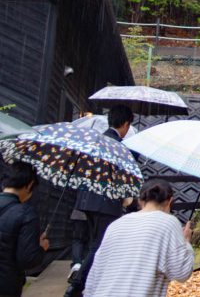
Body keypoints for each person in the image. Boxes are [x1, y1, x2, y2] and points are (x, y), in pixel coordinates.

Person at [66, 104, 134, 297]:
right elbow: (121, 178)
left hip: (86, 199)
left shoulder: (93, 142)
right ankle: (76, 286)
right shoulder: (118, 146)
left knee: (94, 244)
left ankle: (87, 284)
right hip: (105, 203)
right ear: (126, 124)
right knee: (99, 245)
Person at [83, 179, 193, 297]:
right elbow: (181, 273)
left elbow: (95, 273)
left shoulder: (116, 225)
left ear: (140, 201)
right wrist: (186, 242)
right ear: (170, 201)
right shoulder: (169, 222)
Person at [0, 162, 48, 297]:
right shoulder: (26, 213)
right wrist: (41, 247)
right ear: (29, 185)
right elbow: (28, 259)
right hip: (6, 286)